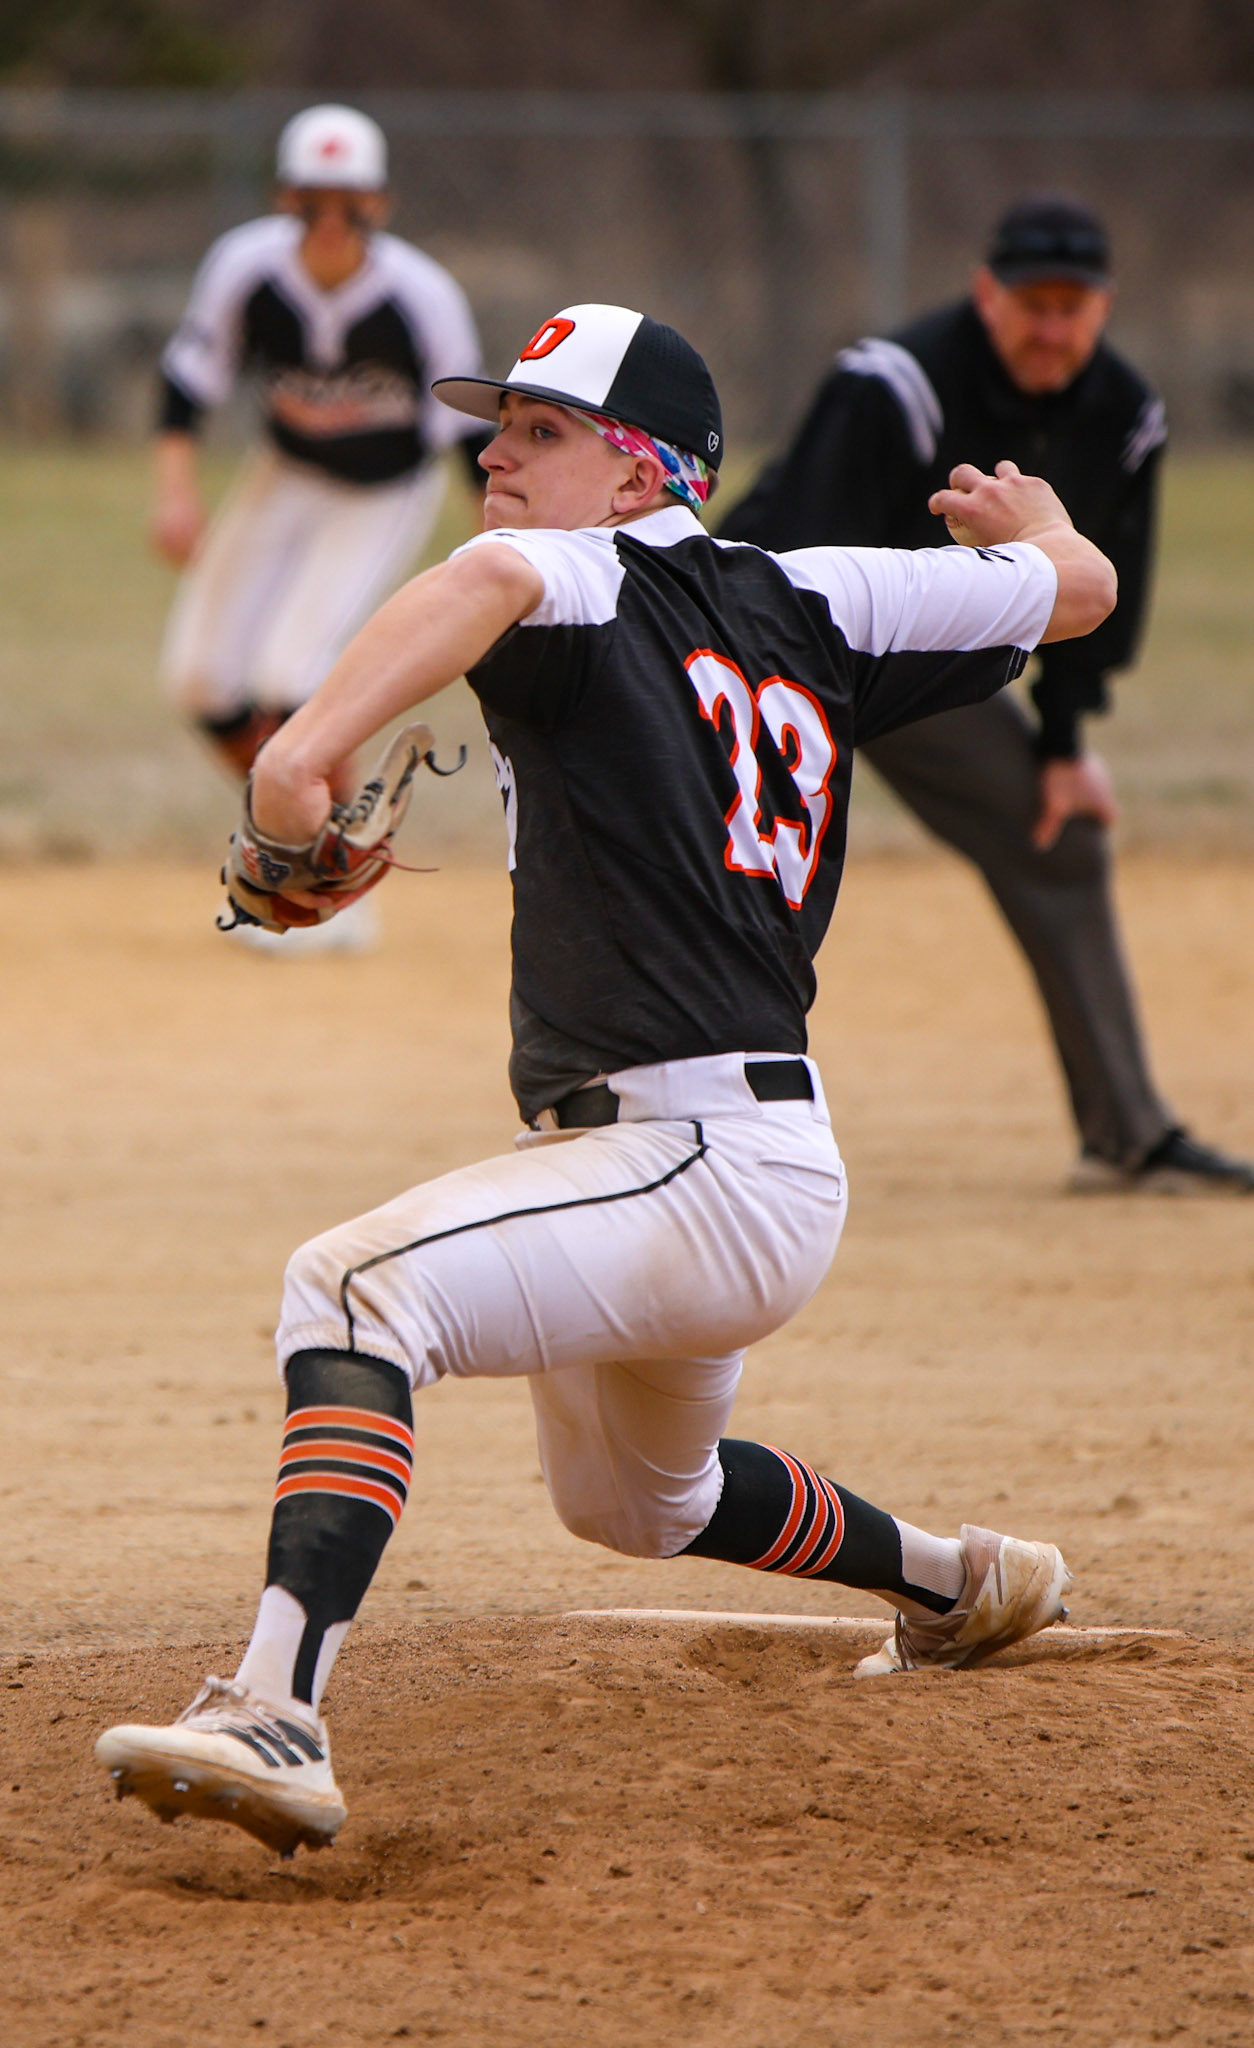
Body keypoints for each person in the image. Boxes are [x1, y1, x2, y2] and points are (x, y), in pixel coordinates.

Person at [96, 303, 1114, 1856]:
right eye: (496, 422)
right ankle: (965, 1582)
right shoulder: (819, 592)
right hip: (739, 1171)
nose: (493, 453)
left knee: (353, 1292)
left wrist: (294, 768)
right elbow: (1076, 592)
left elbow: (495, 576)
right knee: (638, 1504)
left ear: (641, 474)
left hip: (687, 1159)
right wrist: (1039, 523)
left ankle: (273, 1708)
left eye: (541, 431)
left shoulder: (566, 569)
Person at [721, 195, 1252, 1195]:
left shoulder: (1124, 413)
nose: (1050, 328)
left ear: (1103, 308)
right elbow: (790, 542)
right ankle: (680, 1119)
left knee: (1062, 839)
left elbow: (1100, 594)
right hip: (768, 646)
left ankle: (1125, 1133)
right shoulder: (895, 381)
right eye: (1030, 303)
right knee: (731, 862)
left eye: (1073, 305)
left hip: (927, 660)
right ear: (984, 295)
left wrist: (1060, 745)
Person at [153, 102, 489, 955]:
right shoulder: (246, 266)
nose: (331, 220)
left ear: (381, 204)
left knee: (290, 677)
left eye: (351, 200)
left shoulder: (420, 295)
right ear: (283, 198)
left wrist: (495, 549)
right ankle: (298, 840)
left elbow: (467, 436)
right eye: (314, 199)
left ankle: (332, 886)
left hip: (382, 492)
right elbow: (191, 377)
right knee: (200, 678)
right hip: (284, 478)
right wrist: (175, 492)